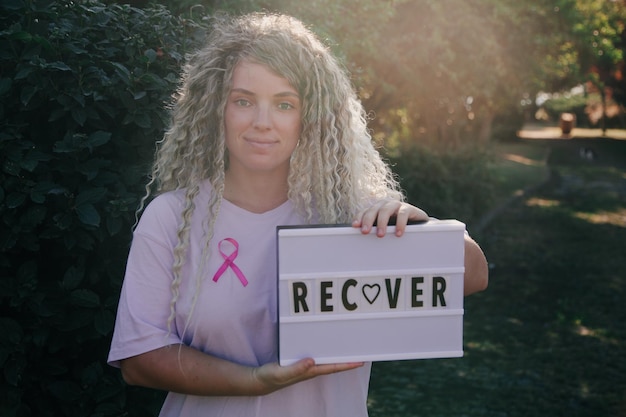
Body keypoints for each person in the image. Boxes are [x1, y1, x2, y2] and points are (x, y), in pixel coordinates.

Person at [107, 12, 488, 417]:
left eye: (284, 104)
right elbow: (139, 359)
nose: (262, 123)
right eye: (243, 101)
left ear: (312, 116)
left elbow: (475, 276)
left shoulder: (352, 216)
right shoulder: (171, 217)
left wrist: (416, 228)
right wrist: (255, 381)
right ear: (216, 108)